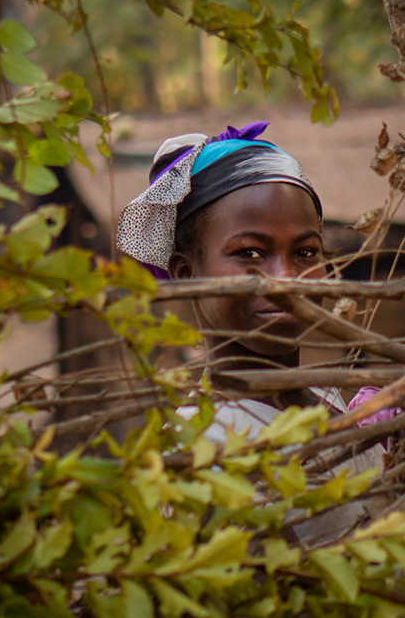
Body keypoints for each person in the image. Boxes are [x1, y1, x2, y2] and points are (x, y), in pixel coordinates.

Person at [117, 122, 383, 544]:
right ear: (187, 275)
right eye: (250, 253)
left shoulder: (327, 400)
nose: (285, 279)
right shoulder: (200, 448)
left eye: (305, 252)